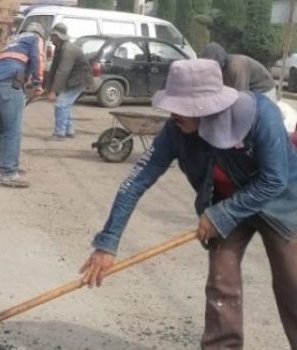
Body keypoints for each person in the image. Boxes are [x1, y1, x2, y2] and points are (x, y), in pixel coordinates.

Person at [80, 59, 297, 349]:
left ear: (205, 107)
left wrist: (221, 214)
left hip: (282, 205)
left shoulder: (260, 114)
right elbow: (135, 183)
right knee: (221, 282)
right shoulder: (174, 131)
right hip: (225, 205)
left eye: (179, 108)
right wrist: (107, 243)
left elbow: (274, 180)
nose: (172, 115)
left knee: (291, 286)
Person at [0, 22, 45, 188]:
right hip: (8, 84)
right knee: (12, 130)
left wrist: (26, 84)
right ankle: (9, 172)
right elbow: (38, 60)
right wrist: (38, 84)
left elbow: (16, 62)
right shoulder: (34, 38)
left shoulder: (12, 41)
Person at [44, 23, 91, 140]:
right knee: (65, 105)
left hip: (80, 80)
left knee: (61, 104)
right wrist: (47, 87)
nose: (50, 37)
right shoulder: (59, 47)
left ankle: (59, 133)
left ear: (57, 36)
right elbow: (53, 69)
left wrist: (54, 91)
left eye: (52, 35)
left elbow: (62, 72)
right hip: (72, 79)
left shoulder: (68, 50)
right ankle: (69, 130)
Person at [200, 42, 277, 101]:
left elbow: (241, 97)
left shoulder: (237, 67)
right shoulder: (223, 68)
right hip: (250, 90)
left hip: (263, 90)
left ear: (220, 63)